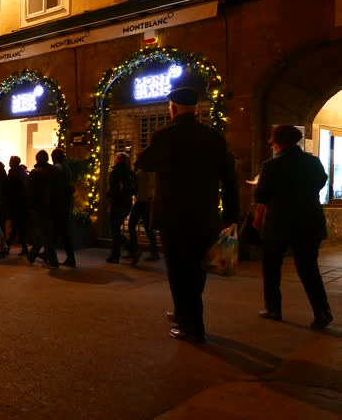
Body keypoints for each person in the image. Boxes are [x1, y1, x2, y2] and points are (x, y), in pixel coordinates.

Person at [136, 87, 238, 343]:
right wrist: (232, 214)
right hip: (205, 215)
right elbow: (229, 177)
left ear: (172, 109)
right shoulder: (214, 137)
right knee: (197, 268)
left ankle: (192, 326)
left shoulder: (165, 135)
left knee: (179, 270)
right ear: (198, 109)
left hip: (174, 216)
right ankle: (185, 313)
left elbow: (145, 162)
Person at [253, 125, 333, 329]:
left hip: (279, 224)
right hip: (309, 222)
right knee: (309, 269)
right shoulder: (313, 162)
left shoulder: (271, 166)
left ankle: (273, 309)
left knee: (272, 267)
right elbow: (321, 182)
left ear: (277, 142)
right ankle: (322, 311)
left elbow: (260, 196)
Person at [27, 150, 63, 268]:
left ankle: (53, 261)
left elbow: (31, 193)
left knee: (44, 234)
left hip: (39, 208)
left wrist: (30, 207)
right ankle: (31, 256)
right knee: (44, 232)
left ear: (37, 159)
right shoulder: (55, 171)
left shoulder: (35, 173)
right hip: (53, 207)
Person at [106, 152, 136, 264]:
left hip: (117, 203)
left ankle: (131, 250)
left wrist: (110, 195)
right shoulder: (131, 173)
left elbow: (113, 189)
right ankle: (115, 255)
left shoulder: (116, 172)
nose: (115, 159)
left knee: (114, 230)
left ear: (119, 160)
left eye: (116, 158)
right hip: (126, 203)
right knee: (115, 229)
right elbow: (134, 189)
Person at [127, 167, 158, 265]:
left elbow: (136, 188)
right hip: (146, 201)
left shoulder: (141, 173)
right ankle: (153, 252)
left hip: (141, 201)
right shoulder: (152, 172)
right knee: (148, 227)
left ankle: (134, 251)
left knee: (132, 225)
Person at [51, 148, 77, 267]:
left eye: (52, 156)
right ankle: (48, 253)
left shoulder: (58, 168)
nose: (51, 158)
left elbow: (55, 186)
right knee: (59, 231)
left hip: (61, 204)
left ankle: (70, 258)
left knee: (61, 232)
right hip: (66, 203)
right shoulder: (66, 167)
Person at [5, 156, 29, 256]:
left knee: (15, 226)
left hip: (16, 203)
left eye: (10, 161)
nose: (9, 163)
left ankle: (7, 247)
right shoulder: (23, 173)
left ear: (13, 162)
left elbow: (9, 188)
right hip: (23, 204)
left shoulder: (13, 172)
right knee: (19, 227)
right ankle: (22, 248)